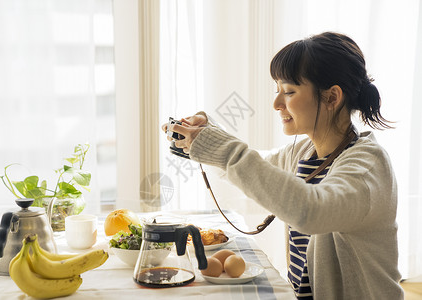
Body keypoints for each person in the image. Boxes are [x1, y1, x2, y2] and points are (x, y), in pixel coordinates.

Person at [163, 32, 404, 299]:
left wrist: (219, 147)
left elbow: (312, 210)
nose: (277, 104)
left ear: (332, 97)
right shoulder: (305, 152)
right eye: (277, 90)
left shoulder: (368, 165)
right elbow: (258, 172)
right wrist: (203, 137)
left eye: (288, 91)